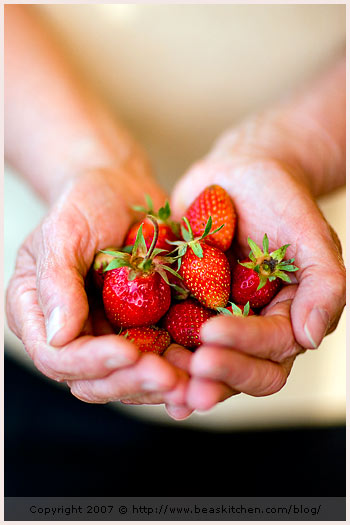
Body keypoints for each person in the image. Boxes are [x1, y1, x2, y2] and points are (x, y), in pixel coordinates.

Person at [5, 4, 345, 421]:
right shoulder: (168, 265)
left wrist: (295, 151)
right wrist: (81, 164)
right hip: (38, 375)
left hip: (313, 403)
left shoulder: (191, 267)